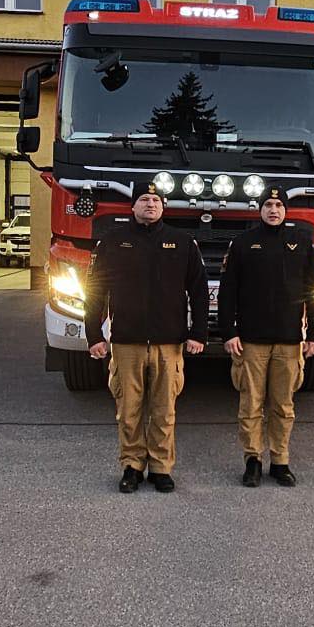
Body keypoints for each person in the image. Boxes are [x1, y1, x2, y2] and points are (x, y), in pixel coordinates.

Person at [84, 187, 207, 493]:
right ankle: (132, 466)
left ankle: (161, 468)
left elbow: (199, 290)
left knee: (164, 411)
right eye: (144, 200)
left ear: (163, 206)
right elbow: (95, 290)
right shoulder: (113, 241)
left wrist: (198, 333)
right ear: (133, 206)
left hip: (169, 344)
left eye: (155, 200)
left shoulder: (182, 242)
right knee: (129, 410)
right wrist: (94, 334)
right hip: (127, 342)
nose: (150, 204)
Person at [216, 188, 314, 488]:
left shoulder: (302, 243)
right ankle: (253, 459)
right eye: (268, 205)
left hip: (289, 341)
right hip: (251, 341)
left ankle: (280, 461)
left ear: (286, 210)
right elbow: (227, 292)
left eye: (278, 205)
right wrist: (229, 332)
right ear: (259, 209)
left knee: (283, 406)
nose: (273, 210)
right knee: (250, 405)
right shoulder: (242, 244)